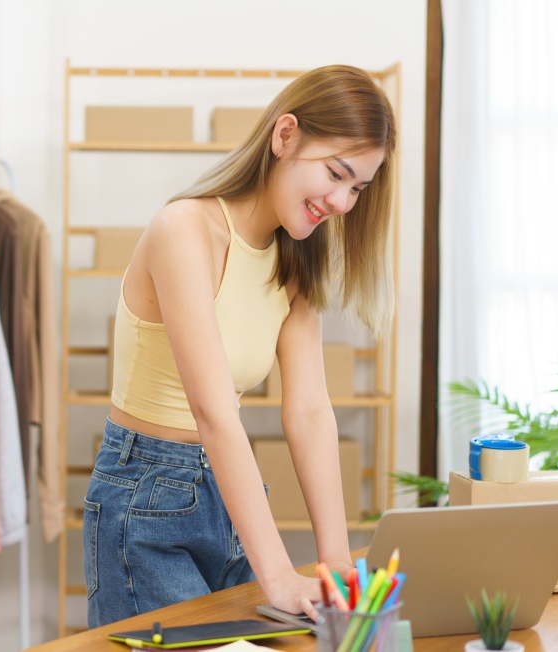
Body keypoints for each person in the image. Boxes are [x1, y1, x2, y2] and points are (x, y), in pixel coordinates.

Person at [83, 64, 397, 628]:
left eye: (358, 187)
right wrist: (276, 573)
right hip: (146, 501)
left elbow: (308, 411)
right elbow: (213, 412)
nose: (344, 202)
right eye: (336, 173)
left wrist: (335, 562)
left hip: (229, 496)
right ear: (285, 136)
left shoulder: (297, 259)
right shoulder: (184, 229)